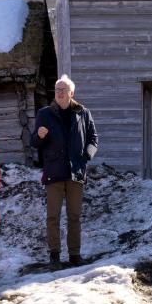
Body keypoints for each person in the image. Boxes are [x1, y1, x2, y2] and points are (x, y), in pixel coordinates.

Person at [31, 75, 98, 268]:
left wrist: (86, 156)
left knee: (74, 216)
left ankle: (74, 254)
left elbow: (93, 138)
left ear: (71, 93)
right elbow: (34, 143)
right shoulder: (45, 113)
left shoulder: (83, 112)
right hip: (54, 171)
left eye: (63, 90)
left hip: (76, 171)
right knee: (53, 216)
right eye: (57, 89)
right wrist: (39, 136)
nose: (59, 93)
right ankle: (54, 255)